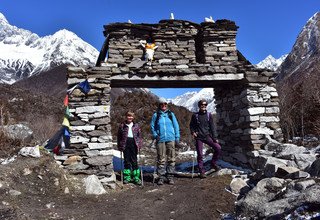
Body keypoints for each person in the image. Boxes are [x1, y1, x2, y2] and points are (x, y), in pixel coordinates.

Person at [150, 98, 180, 185]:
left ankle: (170, 176)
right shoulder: (156, 115)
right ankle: (161, 177)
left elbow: (176, 126)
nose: (164, 106)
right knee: (161, 159)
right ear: (159, 105)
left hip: (171, 139)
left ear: (167, 105)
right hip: (160, 139)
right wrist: (155, 135)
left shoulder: (171, 114)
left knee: (171, 159)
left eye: (165, 104)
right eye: (162, 104)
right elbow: (152, 126)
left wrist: (177, 137)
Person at [189, 99, 221, 178]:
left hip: (207, 136)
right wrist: (193, 132)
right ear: (199, 106)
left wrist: (215, 137)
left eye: (205, 105)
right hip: (199, 138)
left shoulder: (209, 115)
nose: (204, 106)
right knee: (200, 154)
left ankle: (213, 163)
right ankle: (201, 171)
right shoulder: (195, 115)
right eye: (202, 105)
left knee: (218, 148)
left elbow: (212, 127)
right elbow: (191, 126)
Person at [117, 111, 143, 185]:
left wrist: (139, 144)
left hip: (134, 143)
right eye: (128, 116)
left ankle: (136, 177)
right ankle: (127, 177)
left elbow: (139, 136)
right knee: (127, 160)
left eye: (131, 116)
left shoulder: (136, 125)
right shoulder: (122, 125)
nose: (130, 117)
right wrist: (119, 146)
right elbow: (119, 137)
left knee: (134, 161)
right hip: (125, 143)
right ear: (126, 117)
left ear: (133, 117)